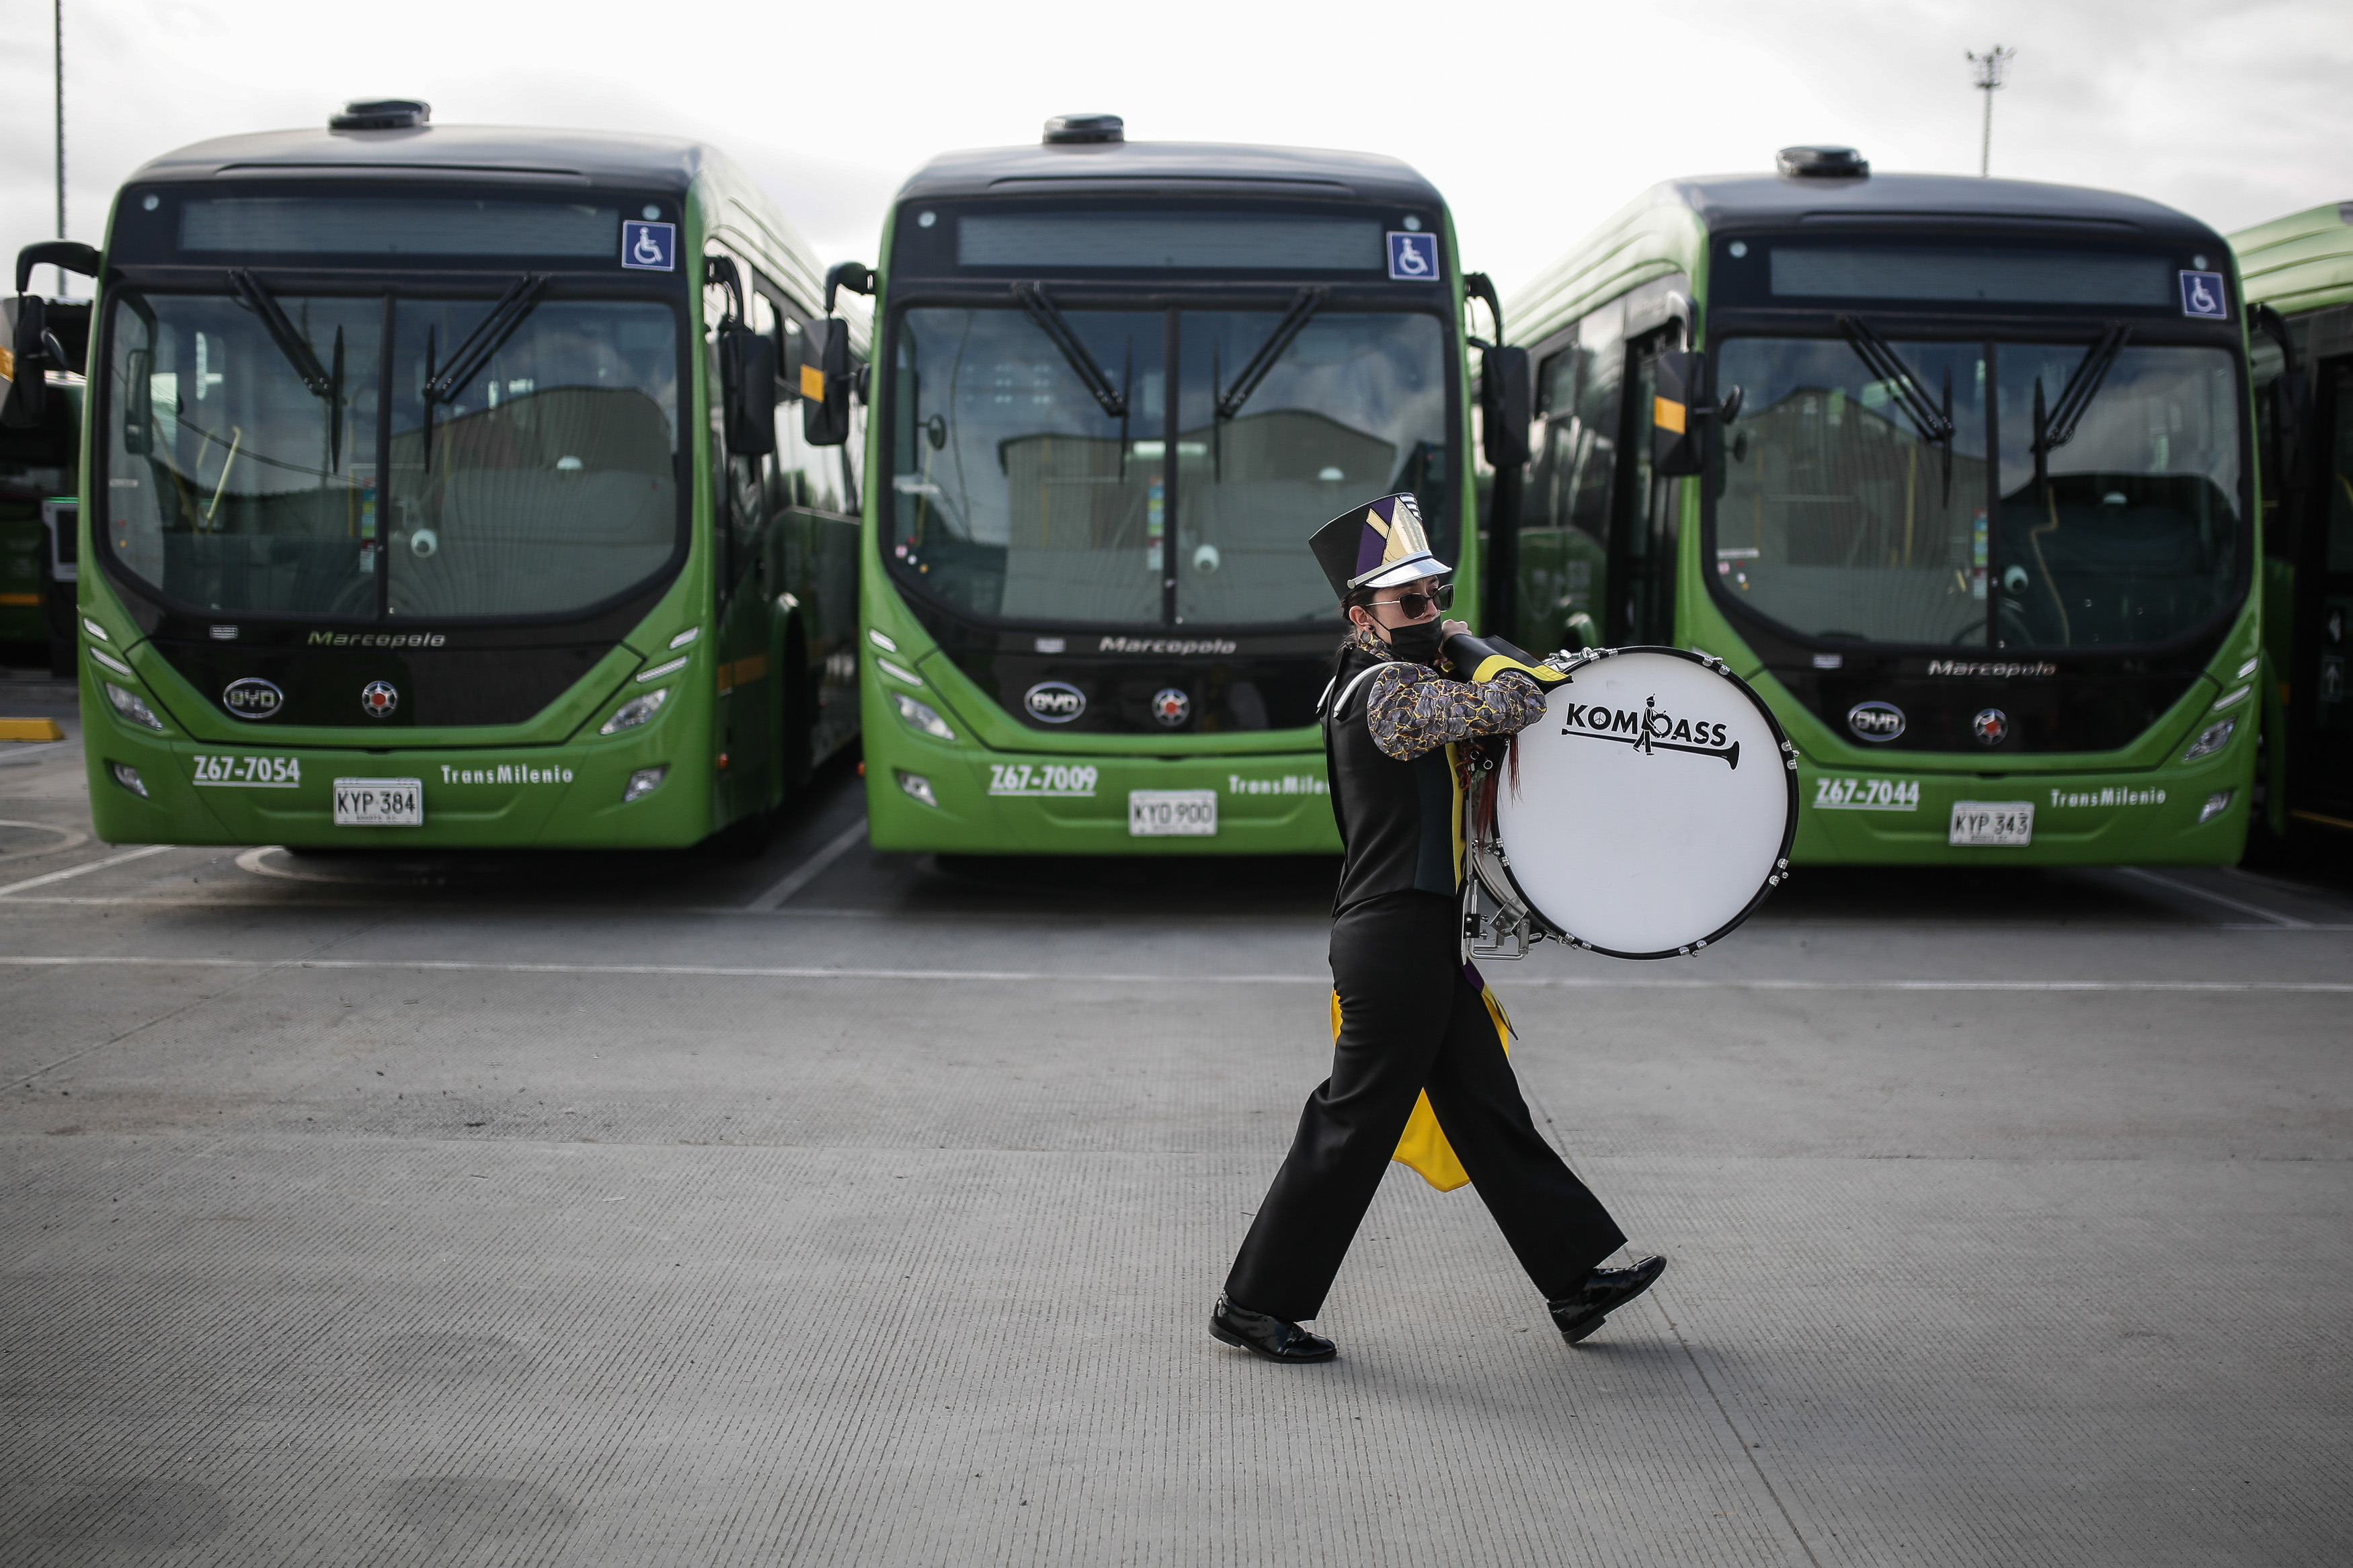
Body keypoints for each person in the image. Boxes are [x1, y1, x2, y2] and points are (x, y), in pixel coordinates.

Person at [1210, 492, 1663, 1364]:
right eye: (1409, 602)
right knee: (1352, 1123)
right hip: (1394, 941)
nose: (1430, 611)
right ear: (1363, 618)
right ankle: (1253, 1301)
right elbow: (1521, 700)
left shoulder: (1383, 681)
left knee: (1490, 1110)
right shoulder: (1391, 694)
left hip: (1415, 936)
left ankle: (1573, 1280)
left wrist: (1450, 643)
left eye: (1435, 594)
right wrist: (1465, 643)